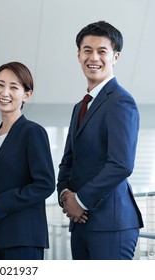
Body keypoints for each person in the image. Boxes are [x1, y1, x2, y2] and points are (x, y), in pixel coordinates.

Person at [57, 21, 143, 260]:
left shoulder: (121, 101)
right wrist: (65, 196)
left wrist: (81, 200)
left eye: (102, 51)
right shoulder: (80, 107)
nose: (93, 57)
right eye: (87, 50)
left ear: (115, 57)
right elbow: (68, 161)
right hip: (80, 222)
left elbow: (121, 164)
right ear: (78, 55)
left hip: (111, 224)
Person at [0, 62, 55, 260]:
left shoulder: (33, 132)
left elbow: (45, 184)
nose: (5, 92)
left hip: (22, 237)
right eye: (0, 85)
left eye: (14, 87)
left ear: (26, 94)